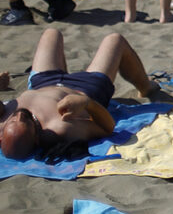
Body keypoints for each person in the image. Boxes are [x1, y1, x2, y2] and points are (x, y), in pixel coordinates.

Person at [0, 29, 159, 160]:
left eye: (13, 119)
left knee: (51, 33)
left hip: (42, 82)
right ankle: (145, 86)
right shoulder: (60, 127)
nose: (19, 115)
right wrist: (86, 102)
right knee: (115, 40)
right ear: (36, 138)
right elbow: (107, 127)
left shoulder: (2, 120)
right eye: (25, 121)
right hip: (86, 88)